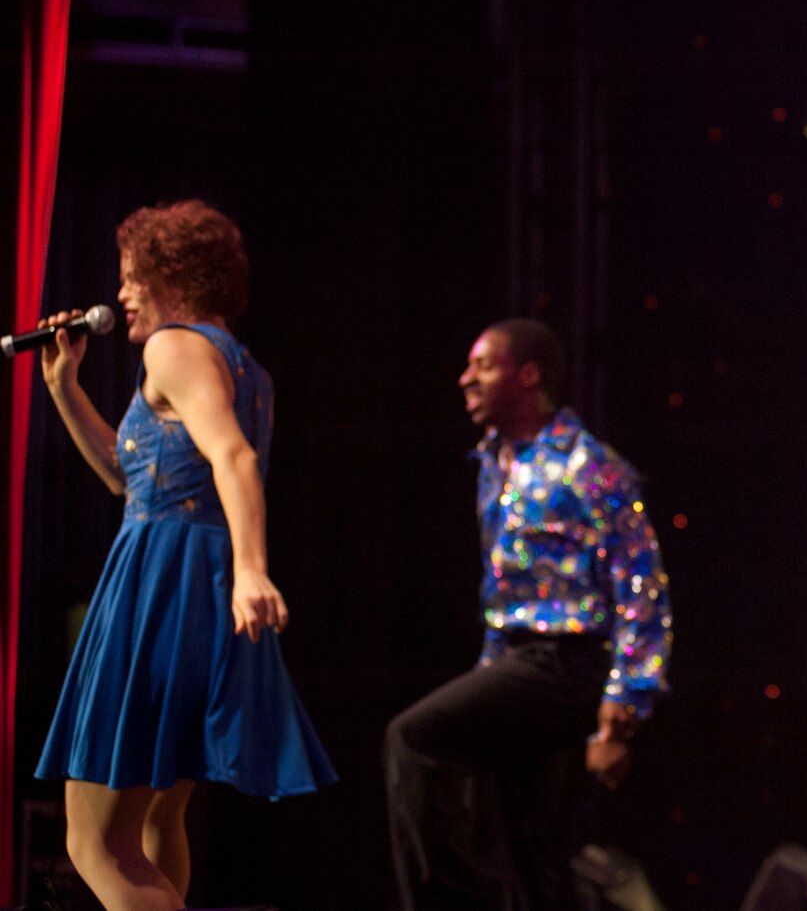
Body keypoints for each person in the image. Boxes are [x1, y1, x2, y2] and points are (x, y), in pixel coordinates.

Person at [35, 199, 335, 911]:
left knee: (94, 842)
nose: (121, 296)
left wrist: (255, 568)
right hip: (191, 579)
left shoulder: (173, 347)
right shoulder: (242, 366)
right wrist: (63, 387)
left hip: (164, 582)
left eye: (132, 277)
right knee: (155, 820)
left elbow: (232, 457)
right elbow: (129, 475)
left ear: (172, 275)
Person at [384, 320, 670, 911]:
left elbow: (640, 582)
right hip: (518, 662)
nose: (467, 378)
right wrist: (490, 666)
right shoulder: (496, 465)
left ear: (528, 376)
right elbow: (504, 588)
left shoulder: (589, 466)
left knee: (413, 740)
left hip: (568, 664)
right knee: (531, 850)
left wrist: (623, 706)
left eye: (484, 365)